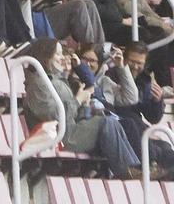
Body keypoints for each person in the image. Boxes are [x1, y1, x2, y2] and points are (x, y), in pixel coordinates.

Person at [20, 38, 145, 179]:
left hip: (69, 131)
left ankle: (133, 169)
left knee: (113, 122)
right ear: (45, 56)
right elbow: (54, 116)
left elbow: (71, 114)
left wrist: (84, 106)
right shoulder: (38, 83)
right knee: (107, 123)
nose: (62, 58)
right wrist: (78, 100)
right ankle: (128, 172)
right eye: (58, 54)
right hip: (59, 138)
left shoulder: (55, 80)